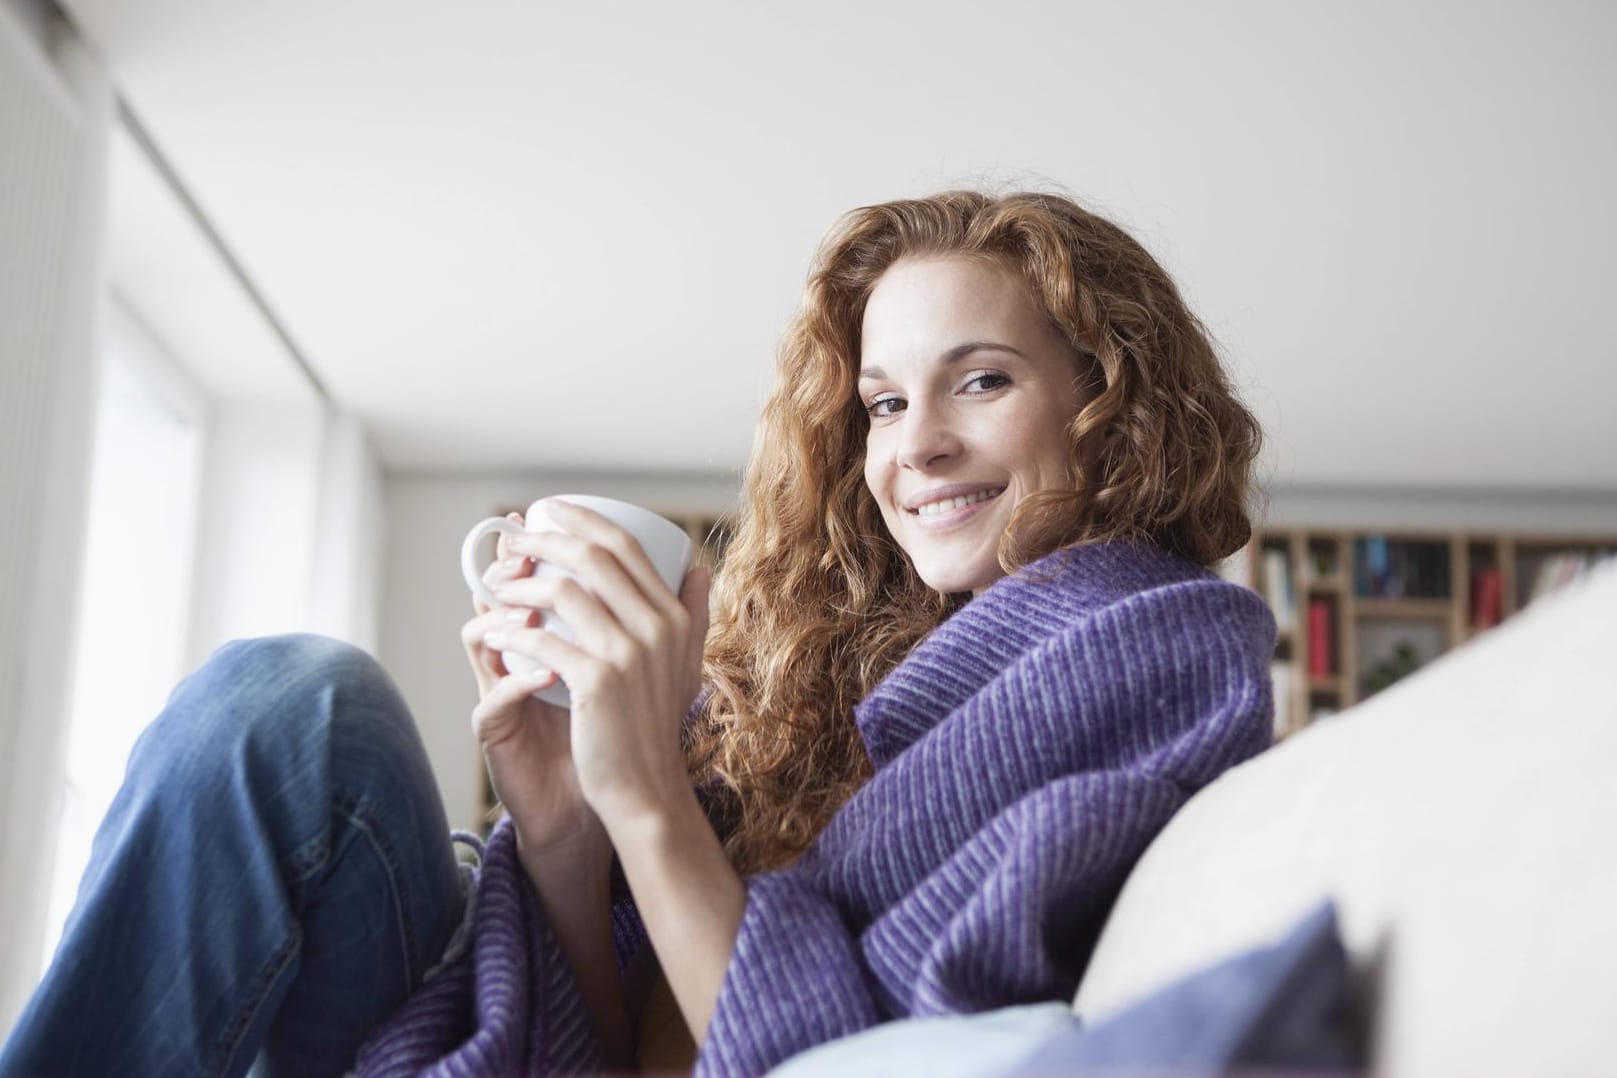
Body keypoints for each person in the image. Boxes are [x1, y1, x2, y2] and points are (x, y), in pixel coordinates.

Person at [0, 189, 1276, 1078]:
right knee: (283, 701)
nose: (917, 445)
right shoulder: (861, 676)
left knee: (298, 715)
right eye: (884, 403)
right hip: (527, 1023)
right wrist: (560, 824)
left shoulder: (1148, 649)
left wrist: (646, 793)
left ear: (1113, 403)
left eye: (981, 378)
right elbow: (630, 1038)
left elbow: (808, 1061)